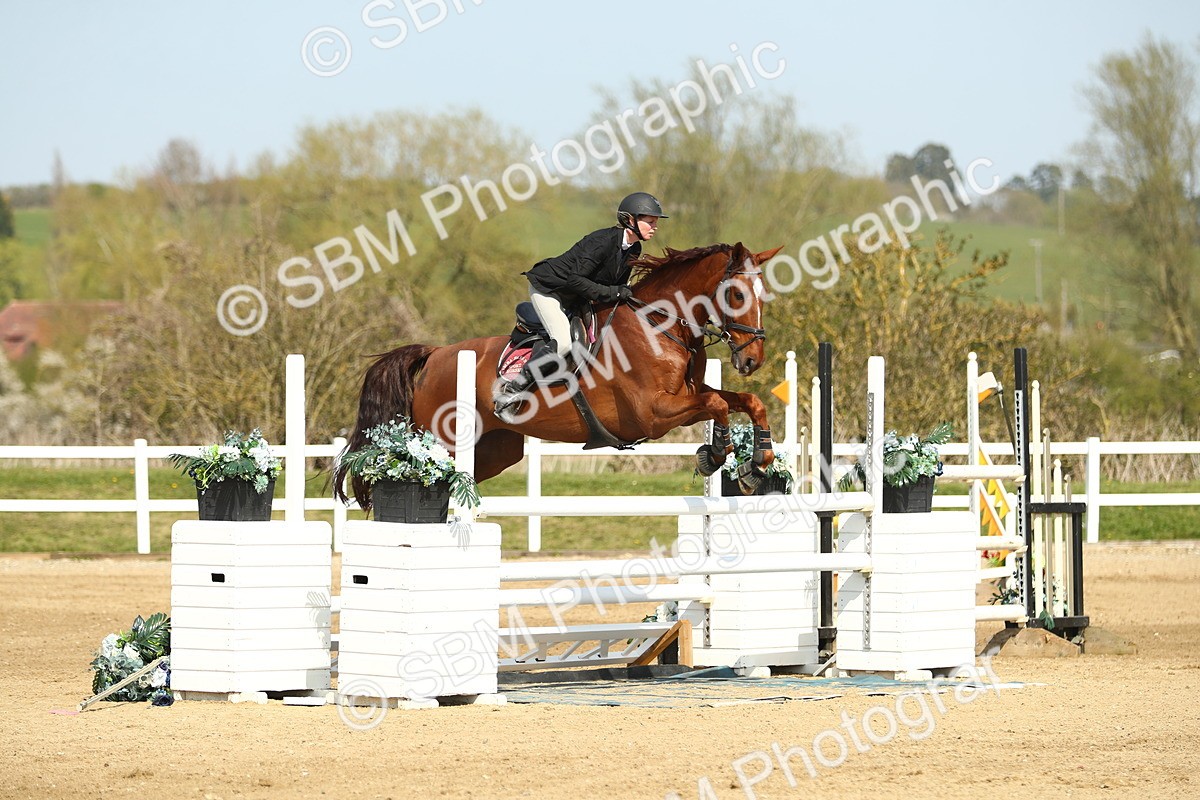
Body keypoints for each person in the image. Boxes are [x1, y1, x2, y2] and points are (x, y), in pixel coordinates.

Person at [494, 192, 668, 421]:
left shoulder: (633, 249)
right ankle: (513, 389)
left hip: (577, 296)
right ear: (630, 220)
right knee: (564, 343)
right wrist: (614, 292)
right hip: (550, 291)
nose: (654, 227)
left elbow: (616, 286)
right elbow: (576, 280)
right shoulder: (602, 242)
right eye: (650, 221)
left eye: (655, 222)